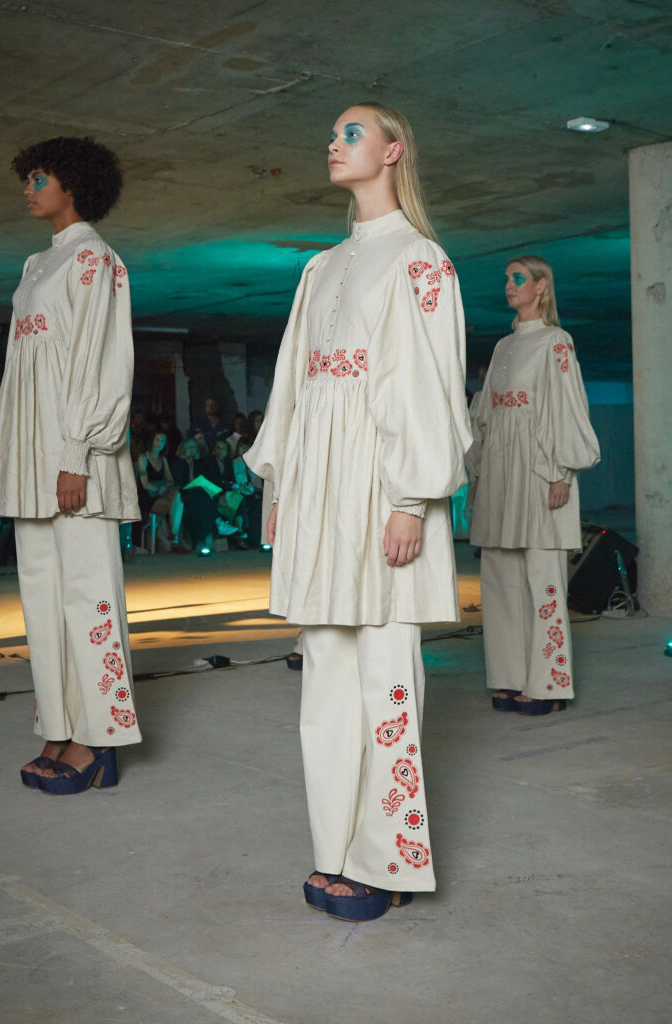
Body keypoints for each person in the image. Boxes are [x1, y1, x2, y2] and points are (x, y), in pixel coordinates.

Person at [245, 102, 471, 921]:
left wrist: (411, 499)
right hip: (318, 486)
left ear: (392, 150)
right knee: (325, 673)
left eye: (351, 133)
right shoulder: (320, 267)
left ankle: (391, 861)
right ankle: (334, 849)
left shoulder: (420, 259)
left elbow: (430, 384)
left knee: (385, 674)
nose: (332, 143)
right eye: (331, 132)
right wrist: (279, 486)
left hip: (381, 487)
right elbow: (291, 384)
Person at [0, 135, 142, 792]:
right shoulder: (36, 264)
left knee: (88, 593)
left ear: (72, 183)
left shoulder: (94, 259)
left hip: (74, 456)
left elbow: (101, 360)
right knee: (42, 597)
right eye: (27, 178)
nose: (28, 188)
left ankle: (99, 738)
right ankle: (58, 724)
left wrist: (77, 452)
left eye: (39, 177)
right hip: (32, 458)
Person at [467, 256, 600, 715]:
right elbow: (485, 414)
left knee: (543, 578)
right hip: (500, 472)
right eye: (507, 278)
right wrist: (478, 473)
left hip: (540, 472)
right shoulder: (503, 346)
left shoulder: (556, 342)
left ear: (542, 287)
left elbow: (568, 406)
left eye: (519, 278)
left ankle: (549, 686)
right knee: (500, 577)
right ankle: (509, 676)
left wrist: (562, 472)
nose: (510, 284)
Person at [137, 432, 181, 550]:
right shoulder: (143, 458)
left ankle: (173, 533)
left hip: (162, 495)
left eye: (162, 441)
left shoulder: (163, 459)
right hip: (148, 498)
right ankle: (174, 534)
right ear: (152, 440)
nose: (159, 443)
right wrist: (159, 488)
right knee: (177, 501)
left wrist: (164, 487)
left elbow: (170, 480)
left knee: (177, 497)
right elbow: (145, 484)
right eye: (157, 440)